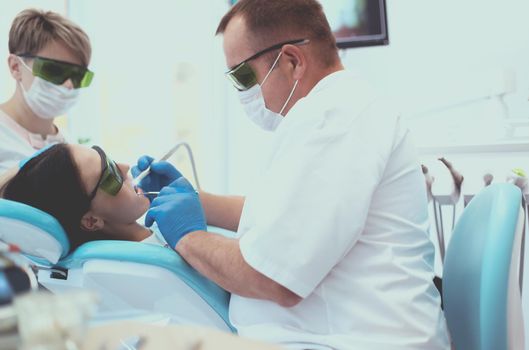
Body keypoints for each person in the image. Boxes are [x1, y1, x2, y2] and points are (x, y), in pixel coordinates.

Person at [134, 0, 449, 349]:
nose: (243, 94)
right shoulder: (329, 114)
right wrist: (193, 198)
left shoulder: (335, 121)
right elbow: (275, 215)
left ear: (291, 61)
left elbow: (273, 278)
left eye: (242, 76)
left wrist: (187, 237)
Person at [0, 143, 169, 252]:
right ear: (91, 221)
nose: (125, 168)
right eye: (111, 176)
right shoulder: (161, 260)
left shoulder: (164, 234)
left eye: (107, 158)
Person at [0, 9, 94, 174]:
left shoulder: (69, 146)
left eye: (78, 75)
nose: (69, 85)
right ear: (16, 67)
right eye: (54, 70)